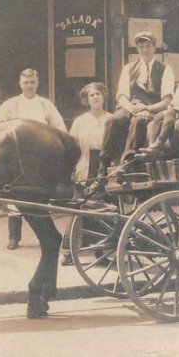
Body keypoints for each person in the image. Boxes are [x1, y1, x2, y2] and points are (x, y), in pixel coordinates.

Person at [0, 68, 66, 250]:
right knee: (15, 196)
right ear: (20, 83)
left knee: (39, 196)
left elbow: (60, 127)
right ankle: (14, 237)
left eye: (32, 82)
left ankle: (45, 236)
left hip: (39, 157)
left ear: (37, 83)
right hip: (17, 158)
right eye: (26, 82)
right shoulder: (11, 104)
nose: (29, 86)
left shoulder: (44, 104)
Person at [98, 31, 175, 172]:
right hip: (130, 107)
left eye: (147, 46)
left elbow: (166, 101)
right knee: (114, 120)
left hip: (152, 108)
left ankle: (127, 161)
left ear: (154, 47)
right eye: (141, 47)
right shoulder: (129, 68)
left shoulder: (165, 69)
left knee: (138, 121)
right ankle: (103, 165)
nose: (145, 50)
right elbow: (121, 96)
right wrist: (132, 108)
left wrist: (147, 108)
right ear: (137, 49)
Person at [61, 82, 112, 266]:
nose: (95, 97)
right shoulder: (80, 121)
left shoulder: (111, 119)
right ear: (87, 100)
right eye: (92, 95)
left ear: (104, 96)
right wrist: (73, 168)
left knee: (102, 208)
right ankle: (68, 253)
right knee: (78, 207)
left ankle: (101, 251)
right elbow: (72, 146)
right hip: (84, 162)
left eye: (98, 93)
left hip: (105, 164)